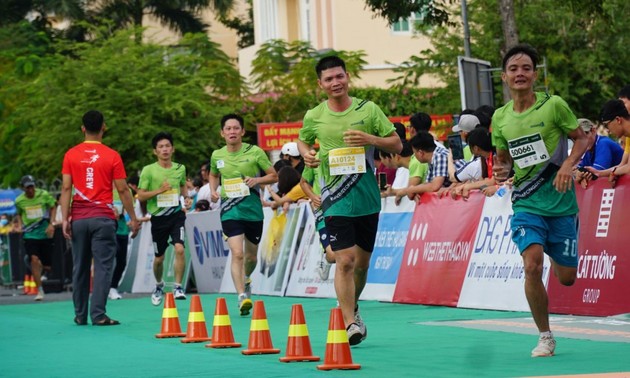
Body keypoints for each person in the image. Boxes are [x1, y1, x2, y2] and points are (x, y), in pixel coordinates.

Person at [491, 44, 589, 357]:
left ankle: (553, 247)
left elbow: (584, 138)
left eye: (526, 68)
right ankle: (545, 335)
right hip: (526, 202)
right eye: (514, 69)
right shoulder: (500, 118)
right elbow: (503, 160)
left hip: (561, 204)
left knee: (567, 278)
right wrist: (500, 169)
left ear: (535, 74)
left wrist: (566, 165)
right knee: (531, 266)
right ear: (504, 77)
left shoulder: (554, 105)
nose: (520, 73)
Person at [297, 55, 402, 345]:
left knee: (361, 266)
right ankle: (349, 323)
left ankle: (352, 306)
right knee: (345, 259)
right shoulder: (314, 115)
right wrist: (306, 152)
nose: (335, 82)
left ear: (347, 77)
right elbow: (303, 140)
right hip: (334, 198)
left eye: (339, 76)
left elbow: (396, 143)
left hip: (367, 198)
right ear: (320, 84)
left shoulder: (368, 109)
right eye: (328, 79)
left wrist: (370, 138)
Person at [60, 110, 140, 326]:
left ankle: (79, 314)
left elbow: (67, 187)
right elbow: (123, 190)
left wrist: (65, 218)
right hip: (103, 218)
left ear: (82, 128)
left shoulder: (71, 154)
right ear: (104, 127)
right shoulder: (112, 155)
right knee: (104, 267)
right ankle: (98, 315)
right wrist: (133, 218)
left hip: (79, 218)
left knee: (80, 266)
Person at [209, 113, 277, 316]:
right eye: (228, 128)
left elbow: (273, 175)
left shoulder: (255, 152)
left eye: (236, 128)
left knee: (251, 257)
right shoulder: (217, 155)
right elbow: (214, 175)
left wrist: (257, 181)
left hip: (253, 211)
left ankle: (247, 278)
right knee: (237, 253)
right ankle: (241, 296)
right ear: (222, 133)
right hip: (230, 210)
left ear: (242, 132)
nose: (232, 132)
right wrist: (213, 190)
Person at [137, 131, 188, 306]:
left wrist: (186, 198)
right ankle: (159, 285)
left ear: (172, 149)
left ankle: (178, 286)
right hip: (158, 218)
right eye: (161, 147)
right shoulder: (148, 170)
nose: (165, 149)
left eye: (167, 146)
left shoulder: (180, 168)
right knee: (159, 258)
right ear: (155, 151)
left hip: (176, 215)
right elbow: (141, 195)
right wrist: (159, 190)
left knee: (180, 248)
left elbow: (182, 186)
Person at [14, 175, 56, 301]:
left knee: (47, 266)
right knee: (34, 259)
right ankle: (40, 290)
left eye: (32, 186)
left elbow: (53, 207)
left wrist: (51, 223)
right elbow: (19, 214)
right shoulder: (19, 201)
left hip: (44, 233)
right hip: (30, 234)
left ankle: (40, 268)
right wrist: (20, 226)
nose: (30, 190)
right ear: (23, 188)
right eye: (27, 188)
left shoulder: (44, 195)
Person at [574, 118, 623, 188]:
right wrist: (579, 175)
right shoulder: (589, 149)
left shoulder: (603, 143)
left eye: (585, 134)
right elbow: (577, 170)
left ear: (593, 131)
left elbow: (596, 173)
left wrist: (581, 177)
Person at [108, 185, 133, 300]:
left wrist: (126, 215)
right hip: (107, 229)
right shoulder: (103, 187)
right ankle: (104, 288)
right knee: (107, 259)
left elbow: (131, 209)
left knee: (122, 261)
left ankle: (113, 287)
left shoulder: (126, 190)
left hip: (122, 229)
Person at [597, 99, 630, 186]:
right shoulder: (628, 137)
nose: (607, 131)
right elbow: (623, 165)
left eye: (606, 125)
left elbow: (629, 168)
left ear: (618, 120)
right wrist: (598, 173)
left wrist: (614, 173)